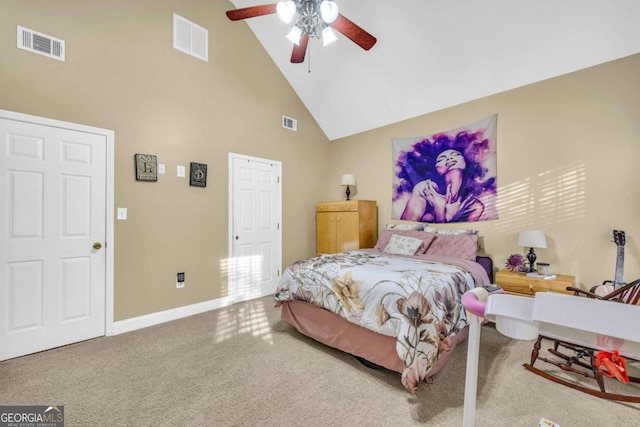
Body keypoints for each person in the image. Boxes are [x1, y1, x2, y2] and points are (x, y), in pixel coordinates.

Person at [400, 149, 484, 223]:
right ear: (436, 168)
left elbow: (460, 238)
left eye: (455, 155)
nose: (449, 158)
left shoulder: (474, 206)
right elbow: (407, 227)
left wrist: (441, 213)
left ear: (465, 162)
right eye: (442, 158)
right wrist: (440, 210)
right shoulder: (426, 189)